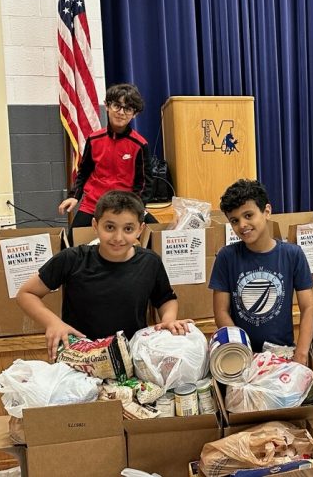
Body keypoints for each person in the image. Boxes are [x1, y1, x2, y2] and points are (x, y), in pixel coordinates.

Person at [16, 191, 191, 361]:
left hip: (130, 358)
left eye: (128, 228)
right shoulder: (72, 258)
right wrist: (53, 323)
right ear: (95, 225)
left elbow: (165, 298)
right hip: (78, 358)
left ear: (140, 229)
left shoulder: (150, 262)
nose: (118, 237)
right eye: (109, 227)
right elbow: (27, 294)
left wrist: (168, 320)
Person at [209, 179, 313, 365]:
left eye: (248, 215)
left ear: (266, 211)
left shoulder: (292, 254)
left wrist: (302, 352)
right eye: (234, 220)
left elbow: (308, 307)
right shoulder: (226, 257)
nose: (242, 225)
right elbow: (221, 312)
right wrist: (241, 352)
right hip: (242, 356)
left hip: (284, 354)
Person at [58, 83, 157, 244]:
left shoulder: (140, 145)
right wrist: (74, 196)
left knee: (157, 239)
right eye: (117, 106)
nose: (121, 112)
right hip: (93, 205)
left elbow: (145, 183)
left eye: (128, 109)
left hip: (126, 207)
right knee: (69, 245)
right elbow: (84, 172)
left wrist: (135, 208)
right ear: (107, 106)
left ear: (135, 114)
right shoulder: (94, 139)